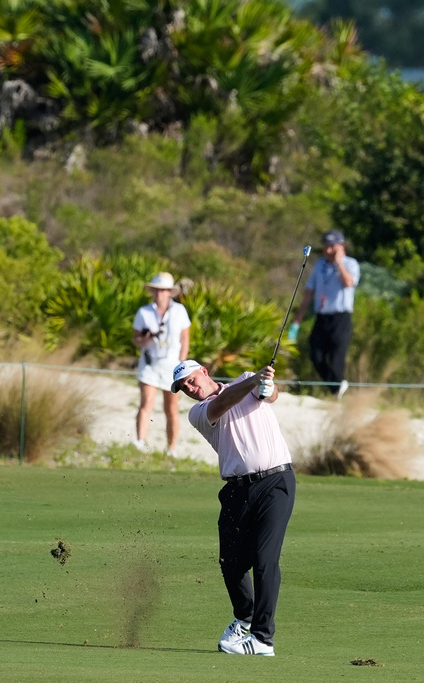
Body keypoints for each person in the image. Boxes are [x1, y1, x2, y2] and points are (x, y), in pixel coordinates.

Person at [171, 359, 296, 657]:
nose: (189, 388)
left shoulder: (248, 381)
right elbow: (225, 401)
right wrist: (255, 382)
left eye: (190, 380)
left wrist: (267, 386)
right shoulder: (198, 412)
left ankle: (262, 639)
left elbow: (270, 395)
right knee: (231, 562)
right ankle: (245, 617)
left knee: (265, 559)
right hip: (236, 490)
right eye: (182, 387)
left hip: (276, 481)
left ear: (204, 371)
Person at [292, 229, 360, 399]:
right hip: (322, 316)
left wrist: (338, 263)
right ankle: (336, 388)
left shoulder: (350, 264)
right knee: (316, 355)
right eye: (325, 247)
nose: (328, 251)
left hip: (341, 317)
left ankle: (336, 391)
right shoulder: (320, 265)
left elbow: (348, 283)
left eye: (331, 247)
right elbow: (309, 291)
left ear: (340, 246)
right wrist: (299, 317)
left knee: (337, 358)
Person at [132, 272, 191, 455]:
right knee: (146, 401)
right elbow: (135, 339)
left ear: (169, 292)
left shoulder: (179, 311)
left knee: (171, 408)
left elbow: (185, 338)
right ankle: (140, 442)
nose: (160, 294)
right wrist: (145, 338)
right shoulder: (144, 312)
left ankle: (171, 448)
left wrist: (182, 364)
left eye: (163, 290)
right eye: (157, 290)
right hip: (150, 362)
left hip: (172, 365)